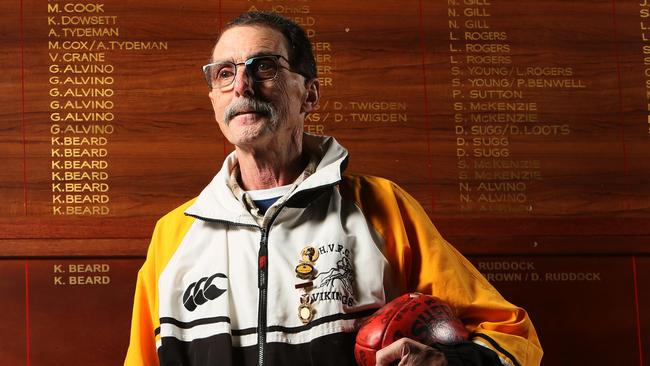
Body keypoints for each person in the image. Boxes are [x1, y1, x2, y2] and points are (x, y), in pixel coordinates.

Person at [125, 11, 543, 366]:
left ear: (309, 94)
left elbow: (512, 336)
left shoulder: (382, 207)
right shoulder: (173, 234)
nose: (242, 86)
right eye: (224, 73)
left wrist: (449, 362)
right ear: (214, 98)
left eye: (264, 67)